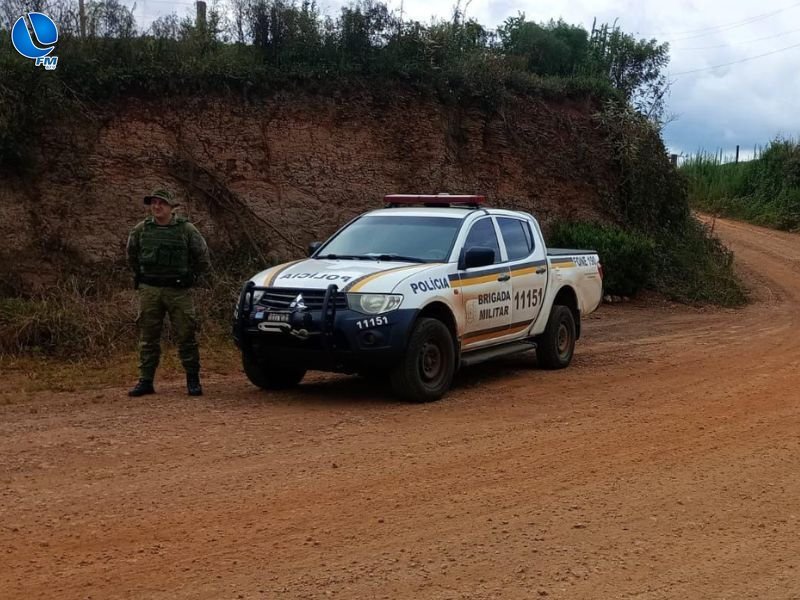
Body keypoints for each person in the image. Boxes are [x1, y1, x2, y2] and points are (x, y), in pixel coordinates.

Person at [126, 189, 211, 397]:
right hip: (150, 289)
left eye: (162, 203)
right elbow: (131, 255)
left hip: (178, 290)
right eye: (154, 203)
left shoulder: (186, 230)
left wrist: (191, 277)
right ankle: (146, 380)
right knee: (148, 337)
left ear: (172, 207)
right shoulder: (141, 230)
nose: (157, 207)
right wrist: (143, 277)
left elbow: (202, 257)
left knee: (186, 334)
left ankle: (192, 379)